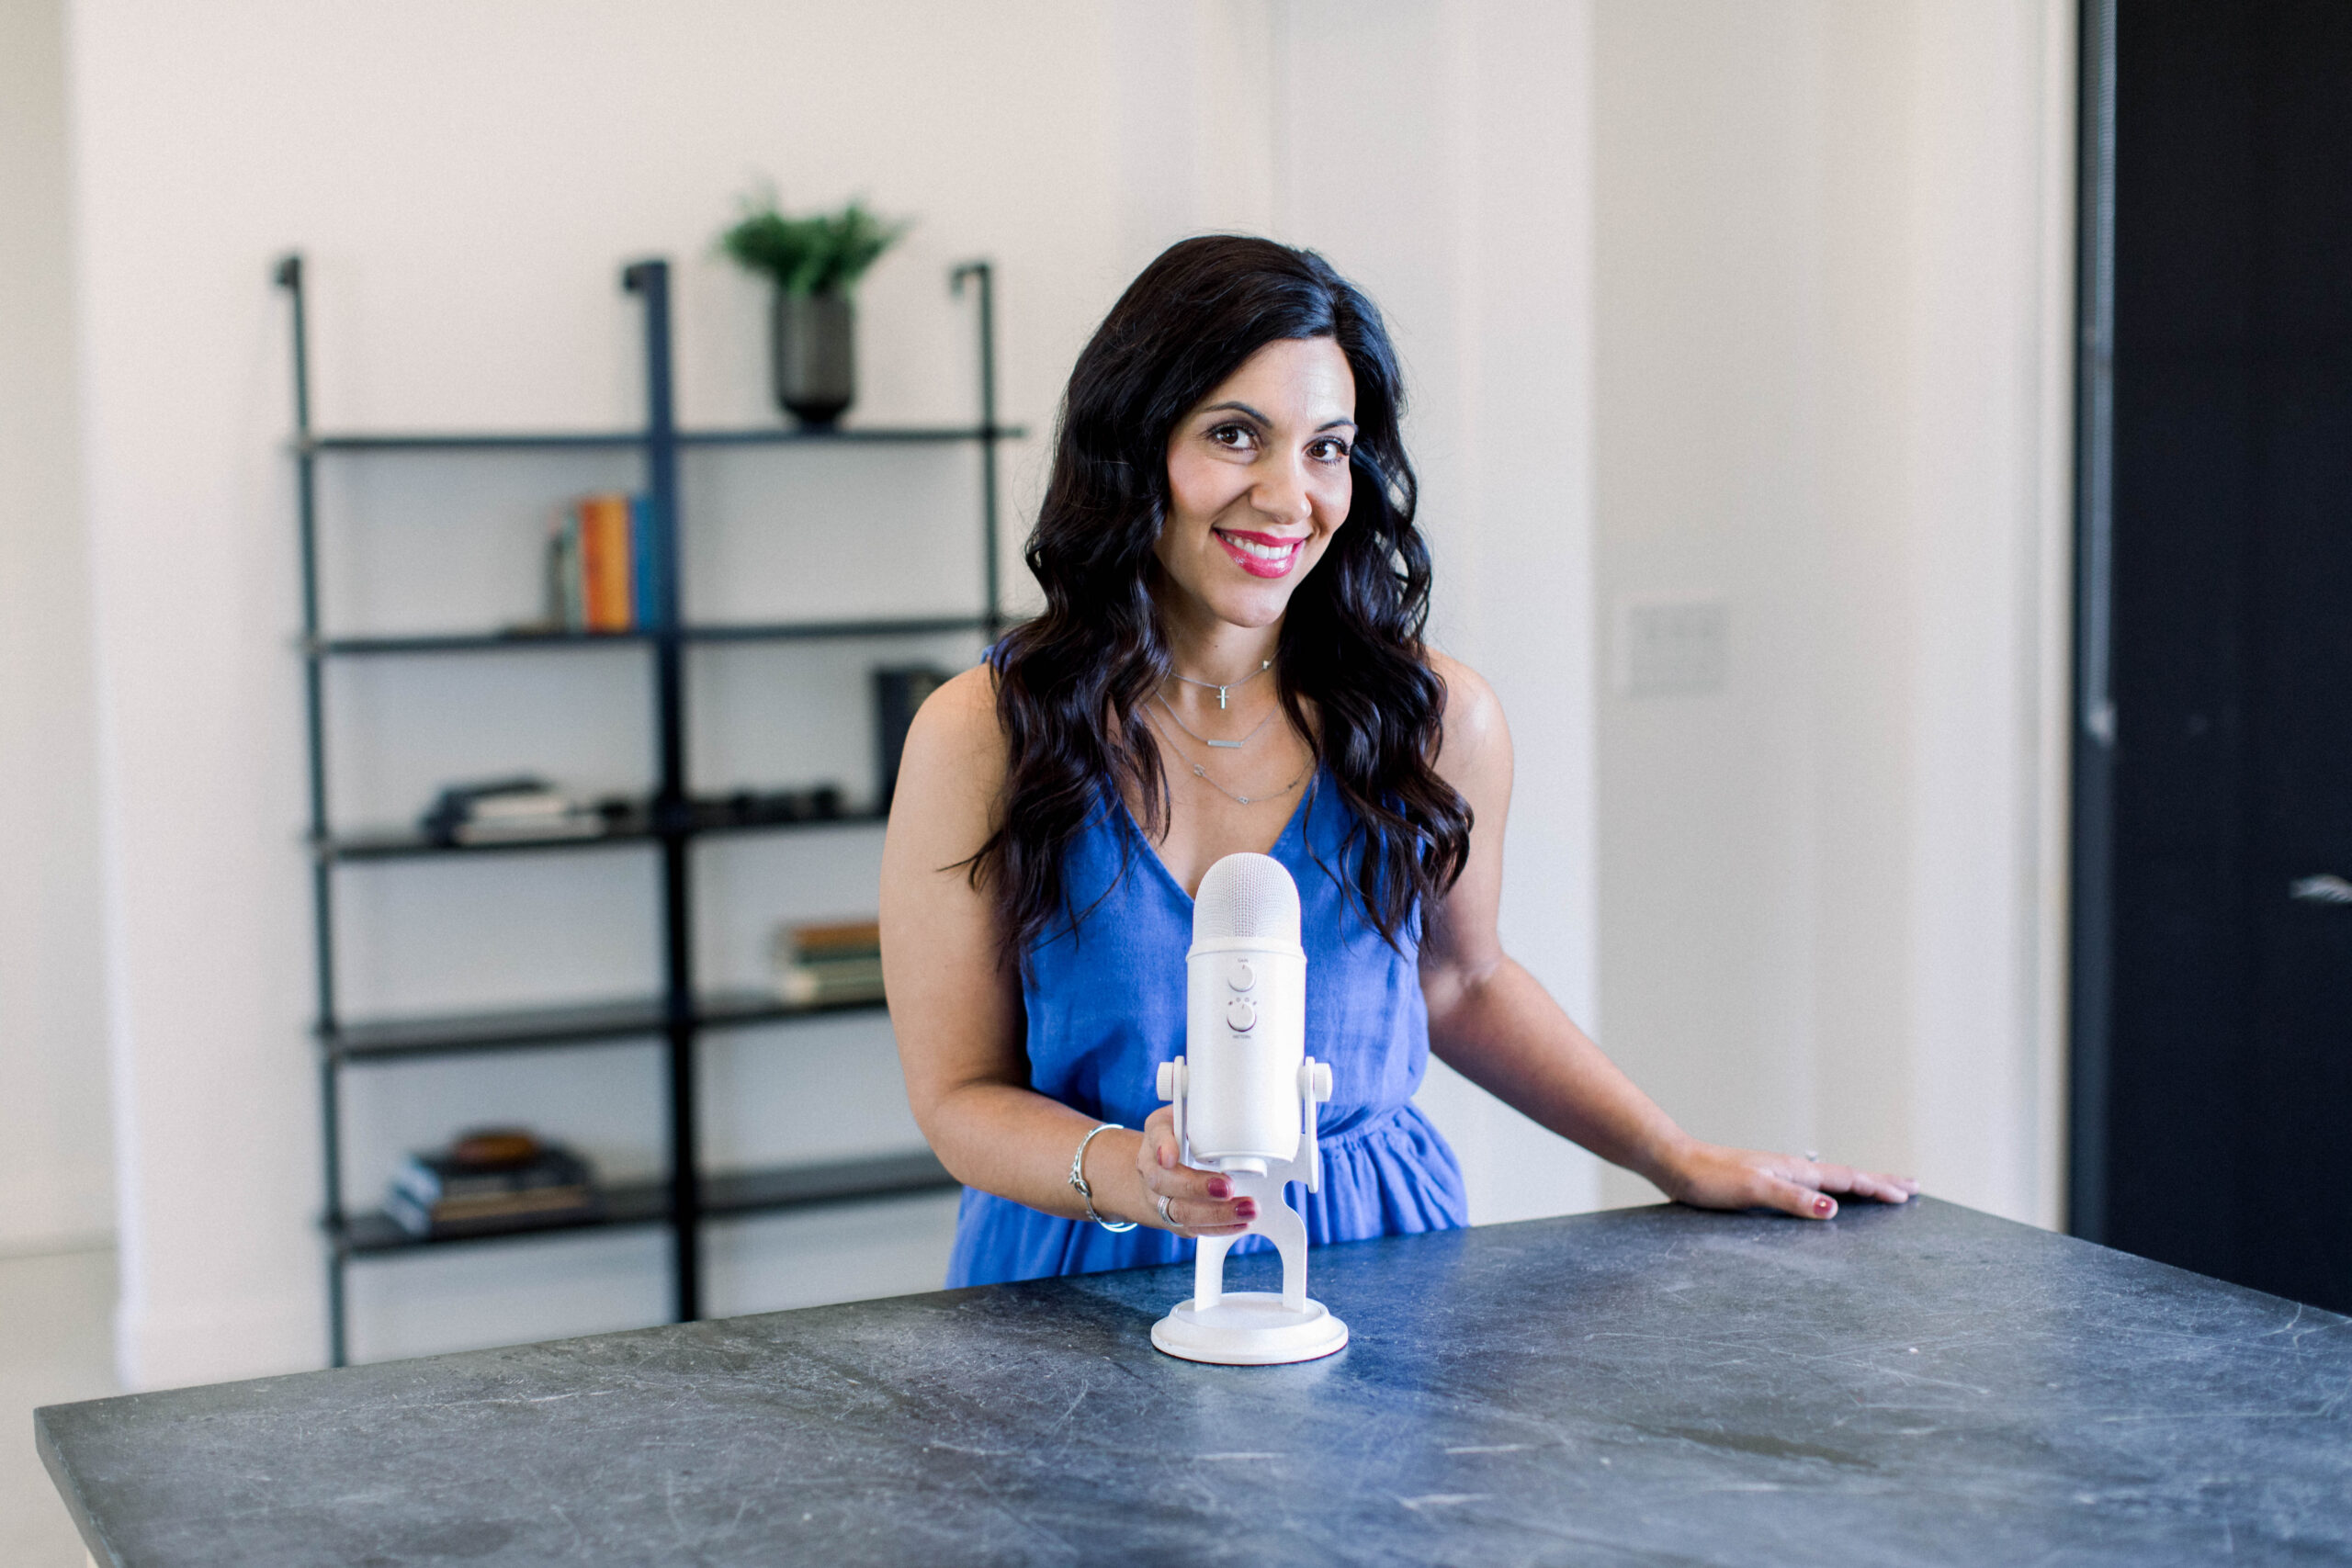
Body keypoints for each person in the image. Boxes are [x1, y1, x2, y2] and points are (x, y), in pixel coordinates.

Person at [880, 235, 1915, 1288]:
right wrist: (1125, 1172)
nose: (1291, 498)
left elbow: (1461, 985)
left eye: (1327, 447)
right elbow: (957, 1094)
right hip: (1072, 1262)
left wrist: (1671, 1153)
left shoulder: (1434, 718)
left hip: (1374, 1257)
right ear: (1132, 447)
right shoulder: (981, 733)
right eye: (1236, 435)